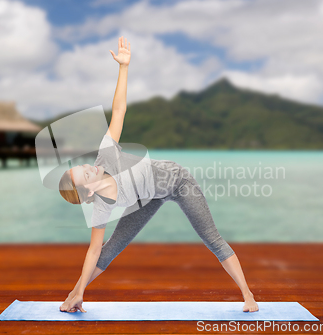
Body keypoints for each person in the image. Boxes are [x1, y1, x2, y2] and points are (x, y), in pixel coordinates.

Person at [58, 36, 259, 314]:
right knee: (109, 249)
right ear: (89, 192)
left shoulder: (106, 154)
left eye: (82, 166)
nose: (88, 167)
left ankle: (248, 296)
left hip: (177, 181)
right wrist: (78, 291)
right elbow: (94, 251)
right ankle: (74, 294)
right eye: (84, 175)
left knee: (211, 238)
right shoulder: (101, 207)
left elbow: (119, 110)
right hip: (145, 200)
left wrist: (124, 67)